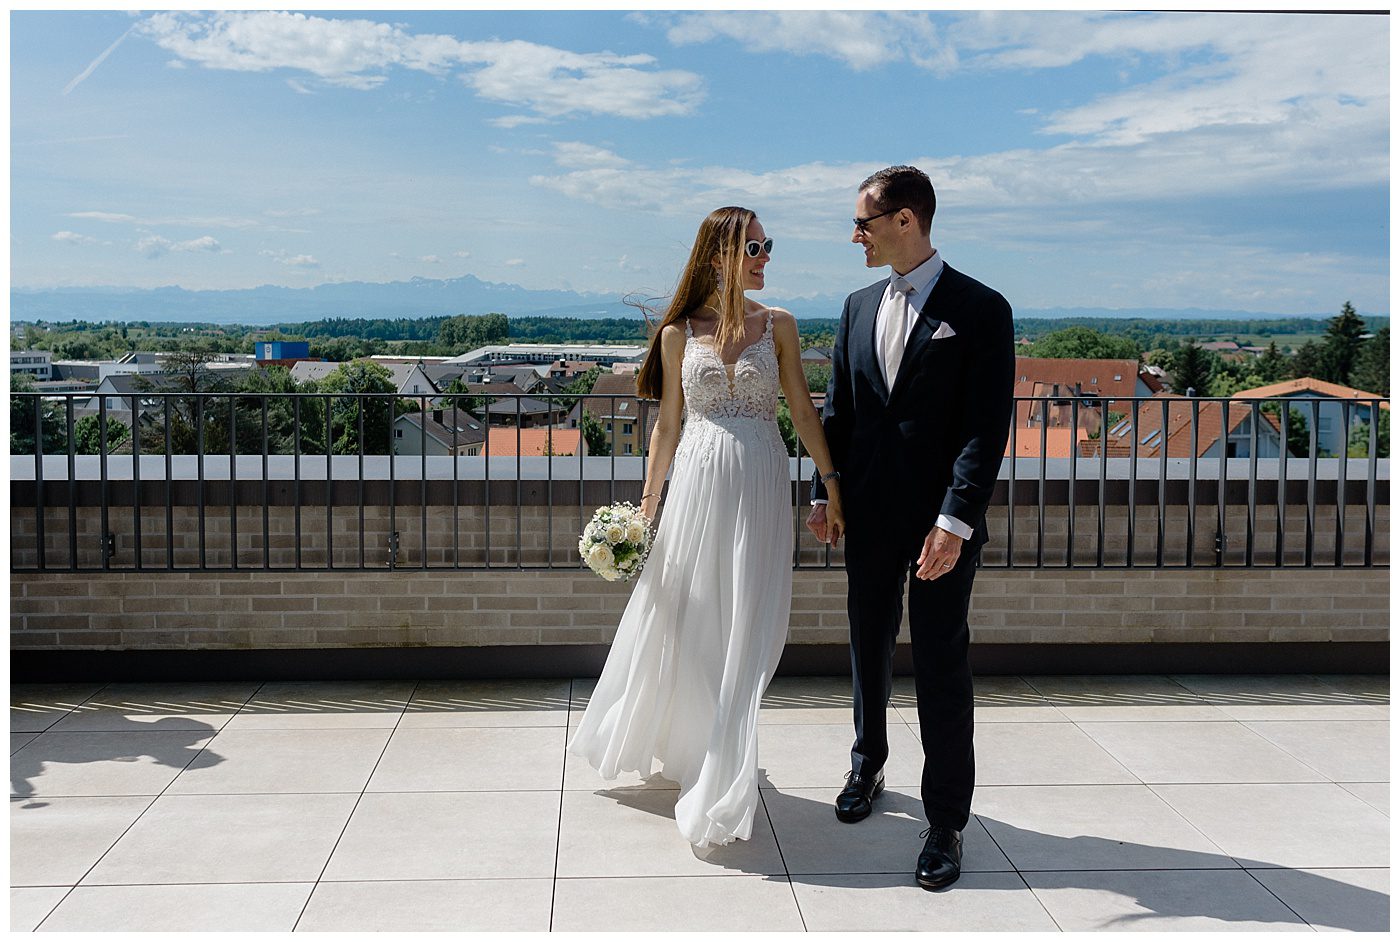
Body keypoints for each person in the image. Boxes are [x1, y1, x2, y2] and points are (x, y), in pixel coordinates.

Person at [568, 206, 846, 849]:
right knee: (688, 620)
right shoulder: (676, 336)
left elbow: (802, 412)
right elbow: (667, 425)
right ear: (720, 255)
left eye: (766, 244)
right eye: (755, 245)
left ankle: (728, 758)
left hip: (758, 485)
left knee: (749, 624)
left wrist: (831, 487)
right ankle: (699, 749)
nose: (766, 255)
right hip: (694, 486)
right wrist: (647, 505)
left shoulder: (778, 326)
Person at [807, 166, 1014, 889]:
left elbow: (987, 430)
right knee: (867, 646)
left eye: (863, 222)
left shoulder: (981, 308)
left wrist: (955, 521)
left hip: (938, 527)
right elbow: (839, 411)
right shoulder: (857, 305)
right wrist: (823, 492)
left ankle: (947, 821)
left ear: (905, 220)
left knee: (940, 663)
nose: (854, 235)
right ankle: (867, 765)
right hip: (865, 511)